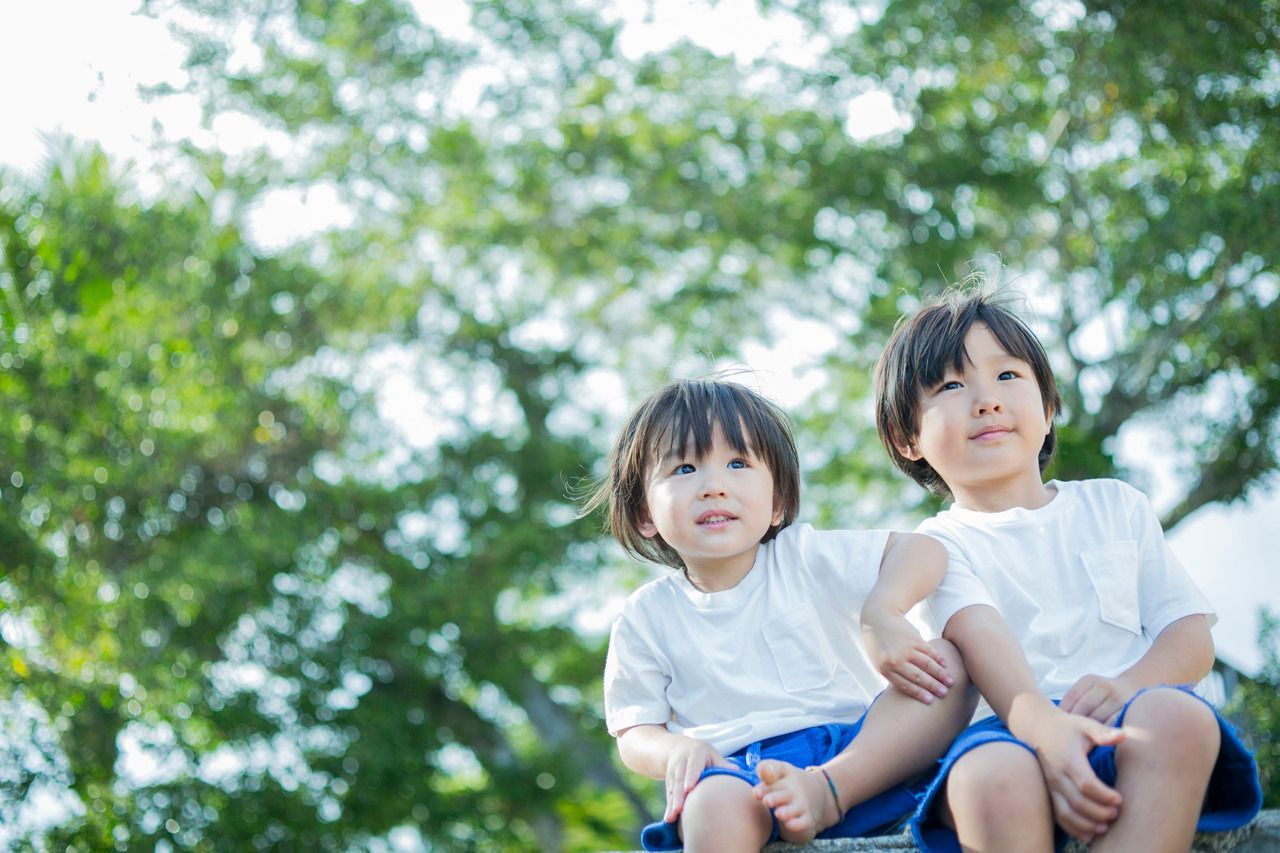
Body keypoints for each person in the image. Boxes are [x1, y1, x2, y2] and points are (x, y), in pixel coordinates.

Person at [873, 288, 1263, 852]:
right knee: (989, 779)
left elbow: (1189, 634)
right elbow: (980, 643)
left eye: (1008, 377)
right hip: (1006, 732)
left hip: (1125, 713)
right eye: (951, 386)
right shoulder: (937, 544)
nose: (986, 400)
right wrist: (1044, 730)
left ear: (1049, 406)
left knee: (1182, 718)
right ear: (907, 438)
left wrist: (1129, 684)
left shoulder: (1115, 505)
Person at [585, 377, 975, 852]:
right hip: (738, 774)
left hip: (863, 756)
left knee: (948, 662)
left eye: (737, 463)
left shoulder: (803, 556)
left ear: (777, 503)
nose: (713, 486)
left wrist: (882, 611)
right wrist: (678, 751)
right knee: (710, 803)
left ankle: (830, 792)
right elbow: (634, 730)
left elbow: (923, 550)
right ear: (645, 512)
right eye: (685, 468)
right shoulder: (646, 615)